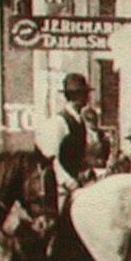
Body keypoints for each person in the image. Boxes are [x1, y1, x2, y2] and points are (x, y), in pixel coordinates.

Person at [35, 73, 94, 208]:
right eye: (84, 94)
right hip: (58, 189)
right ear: (75, 96)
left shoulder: (80, 121)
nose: (87, 98)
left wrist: (86, 171)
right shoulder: (59, 122)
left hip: (76, 185)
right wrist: (68, 182)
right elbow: (50, 159)